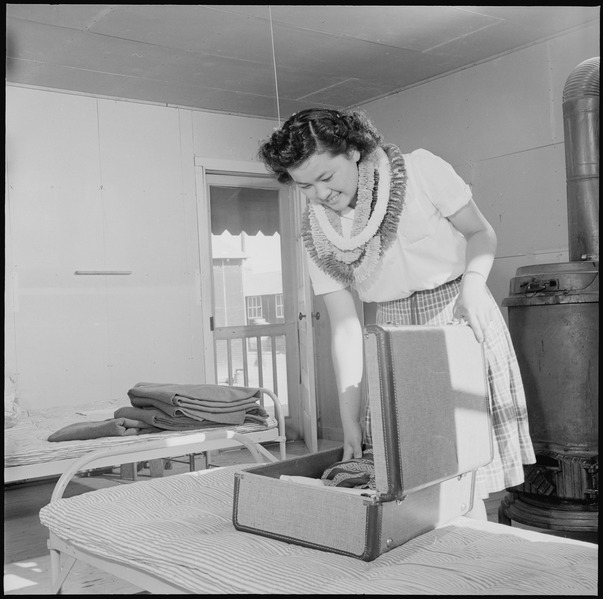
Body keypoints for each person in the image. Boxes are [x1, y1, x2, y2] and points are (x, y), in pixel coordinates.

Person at [258, 108, 535, 519]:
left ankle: (476, 554)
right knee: (415, 474)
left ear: (352, 151)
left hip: (460, 310)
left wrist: (474, 286)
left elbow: (481, 232)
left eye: (326, 177)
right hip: (393, 330)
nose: (319, 194)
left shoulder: (419, 170)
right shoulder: (318, 235)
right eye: (304, 186)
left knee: (468, 472)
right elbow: (347, 327)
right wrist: (349, 418)